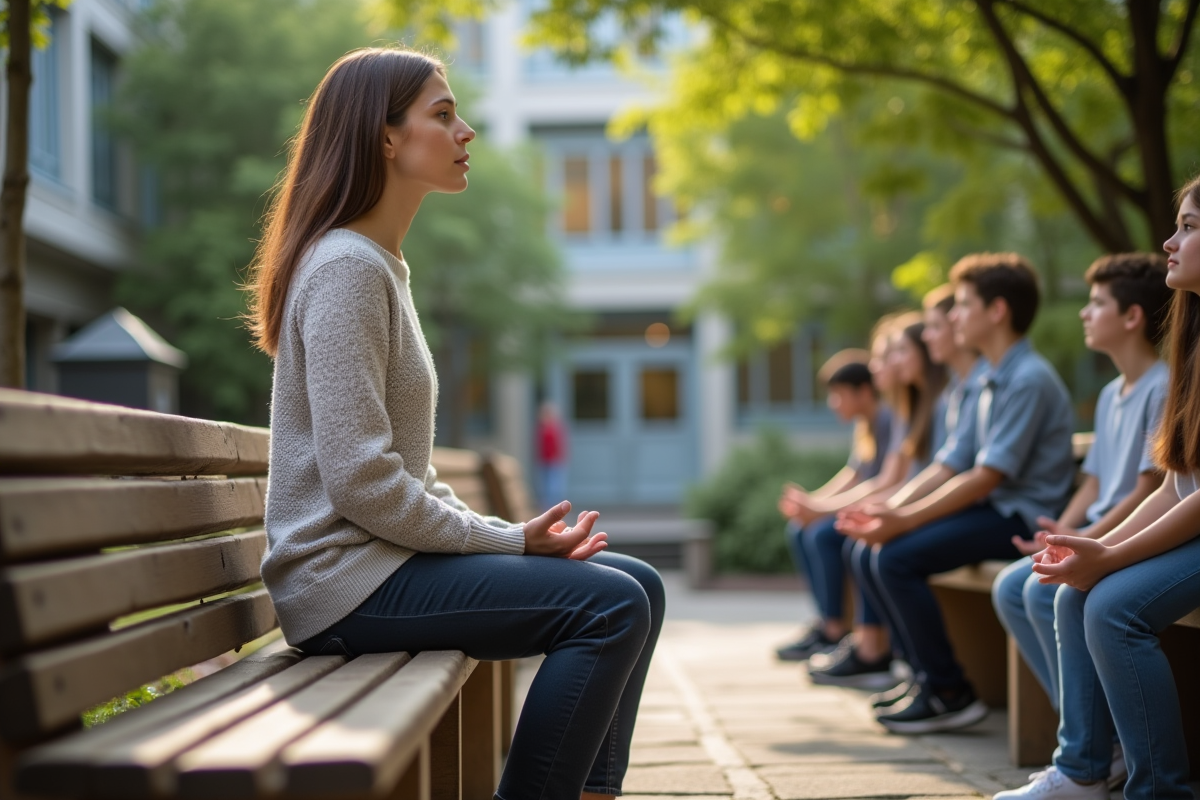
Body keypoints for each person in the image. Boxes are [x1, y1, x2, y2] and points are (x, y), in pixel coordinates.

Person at [247, 47, 663, 800]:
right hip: (343, 584)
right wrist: (508, 539)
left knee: (638, 583)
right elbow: (362, 483)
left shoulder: (379, 264)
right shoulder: (347, 267)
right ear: (385, 138)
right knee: (610, 606)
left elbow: (400, 473)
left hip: (375, 569)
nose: (465, 130)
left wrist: (505, 538)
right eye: (443, 114)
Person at [1000, 178, 1200, 800]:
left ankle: (1157, 789)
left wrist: (1107, 553)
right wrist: (1088, 545)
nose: (1169, 241)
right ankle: (1085, 768)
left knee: (1112, 606)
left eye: (1189, 227)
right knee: (1070, 595)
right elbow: (1174, 485)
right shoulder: (1190, 349)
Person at [838, 253, 1075, 734]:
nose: (954, 316)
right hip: (990, 509)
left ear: (997, 311)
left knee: (894, 557)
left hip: (1022, 519)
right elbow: (949, 463)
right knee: (878, 550)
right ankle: (927, 676)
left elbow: (986, 477)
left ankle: (949, 690)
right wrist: (890, 507)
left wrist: (903, 520)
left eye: (963, 305)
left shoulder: (1026, 379)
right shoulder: (988, 379)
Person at [808, 315, 948, 687]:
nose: (879, 366)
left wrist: (892, 511)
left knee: (871, 547)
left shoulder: (922, 406)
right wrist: (819, 504)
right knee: (853, 540)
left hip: (953, 507)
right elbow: (875, 477)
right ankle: (879, 650)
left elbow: (915, 478)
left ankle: (895, 658)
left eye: (894, 353)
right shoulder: (906, 409)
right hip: (923, 504)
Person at [776, 347, 894, 661]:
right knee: (800, 528)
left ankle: (834, 629)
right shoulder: (865, 425)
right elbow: (853, 474)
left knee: (821, 533)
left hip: (883, 510)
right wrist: (811, 503)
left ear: (864, 391)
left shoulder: (886, 419)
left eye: (839, 394)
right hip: (865, 507)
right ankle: (826, 621)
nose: (833, 403)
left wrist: (820, 509)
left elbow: (880, 484)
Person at [536, 400, 568, 507]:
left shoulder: (552, 428)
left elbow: (558, 445)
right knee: (550, 486)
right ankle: (551, 507)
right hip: (547, 461)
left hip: (553, 461)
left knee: (554, 485)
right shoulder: (545, 429)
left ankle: (555, 506)